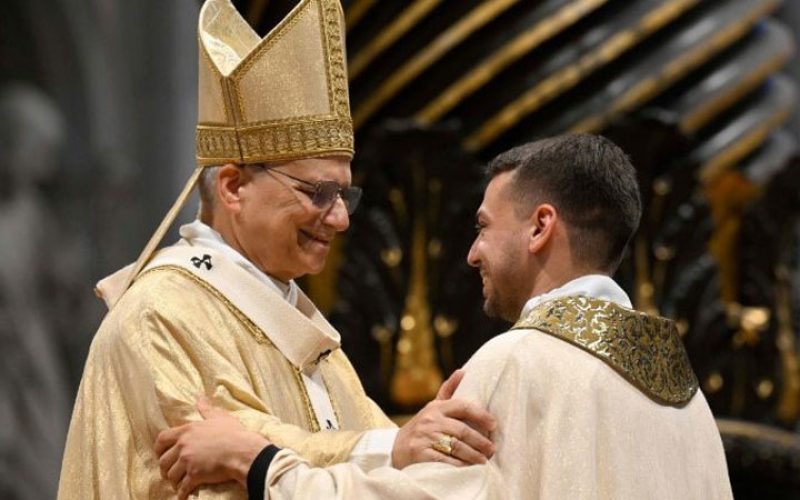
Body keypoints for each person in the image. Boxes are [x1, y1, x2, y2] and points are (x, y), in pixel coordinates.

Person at [57, 1, 494, 498]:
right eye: (318, 194)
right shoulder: (161, 315)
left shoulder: (304, 331)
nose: (342, 218)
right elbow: (226, 454)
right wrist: (389, 447)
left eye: (346, 194)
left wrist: (418, 443)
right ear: (233, 186)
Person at [156, 133, 734, 499]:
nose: (472, 253)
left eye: (483, 227)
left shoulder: (522, 362)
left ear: (540, 227)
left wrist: (254, 462)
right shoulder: (686, 398)